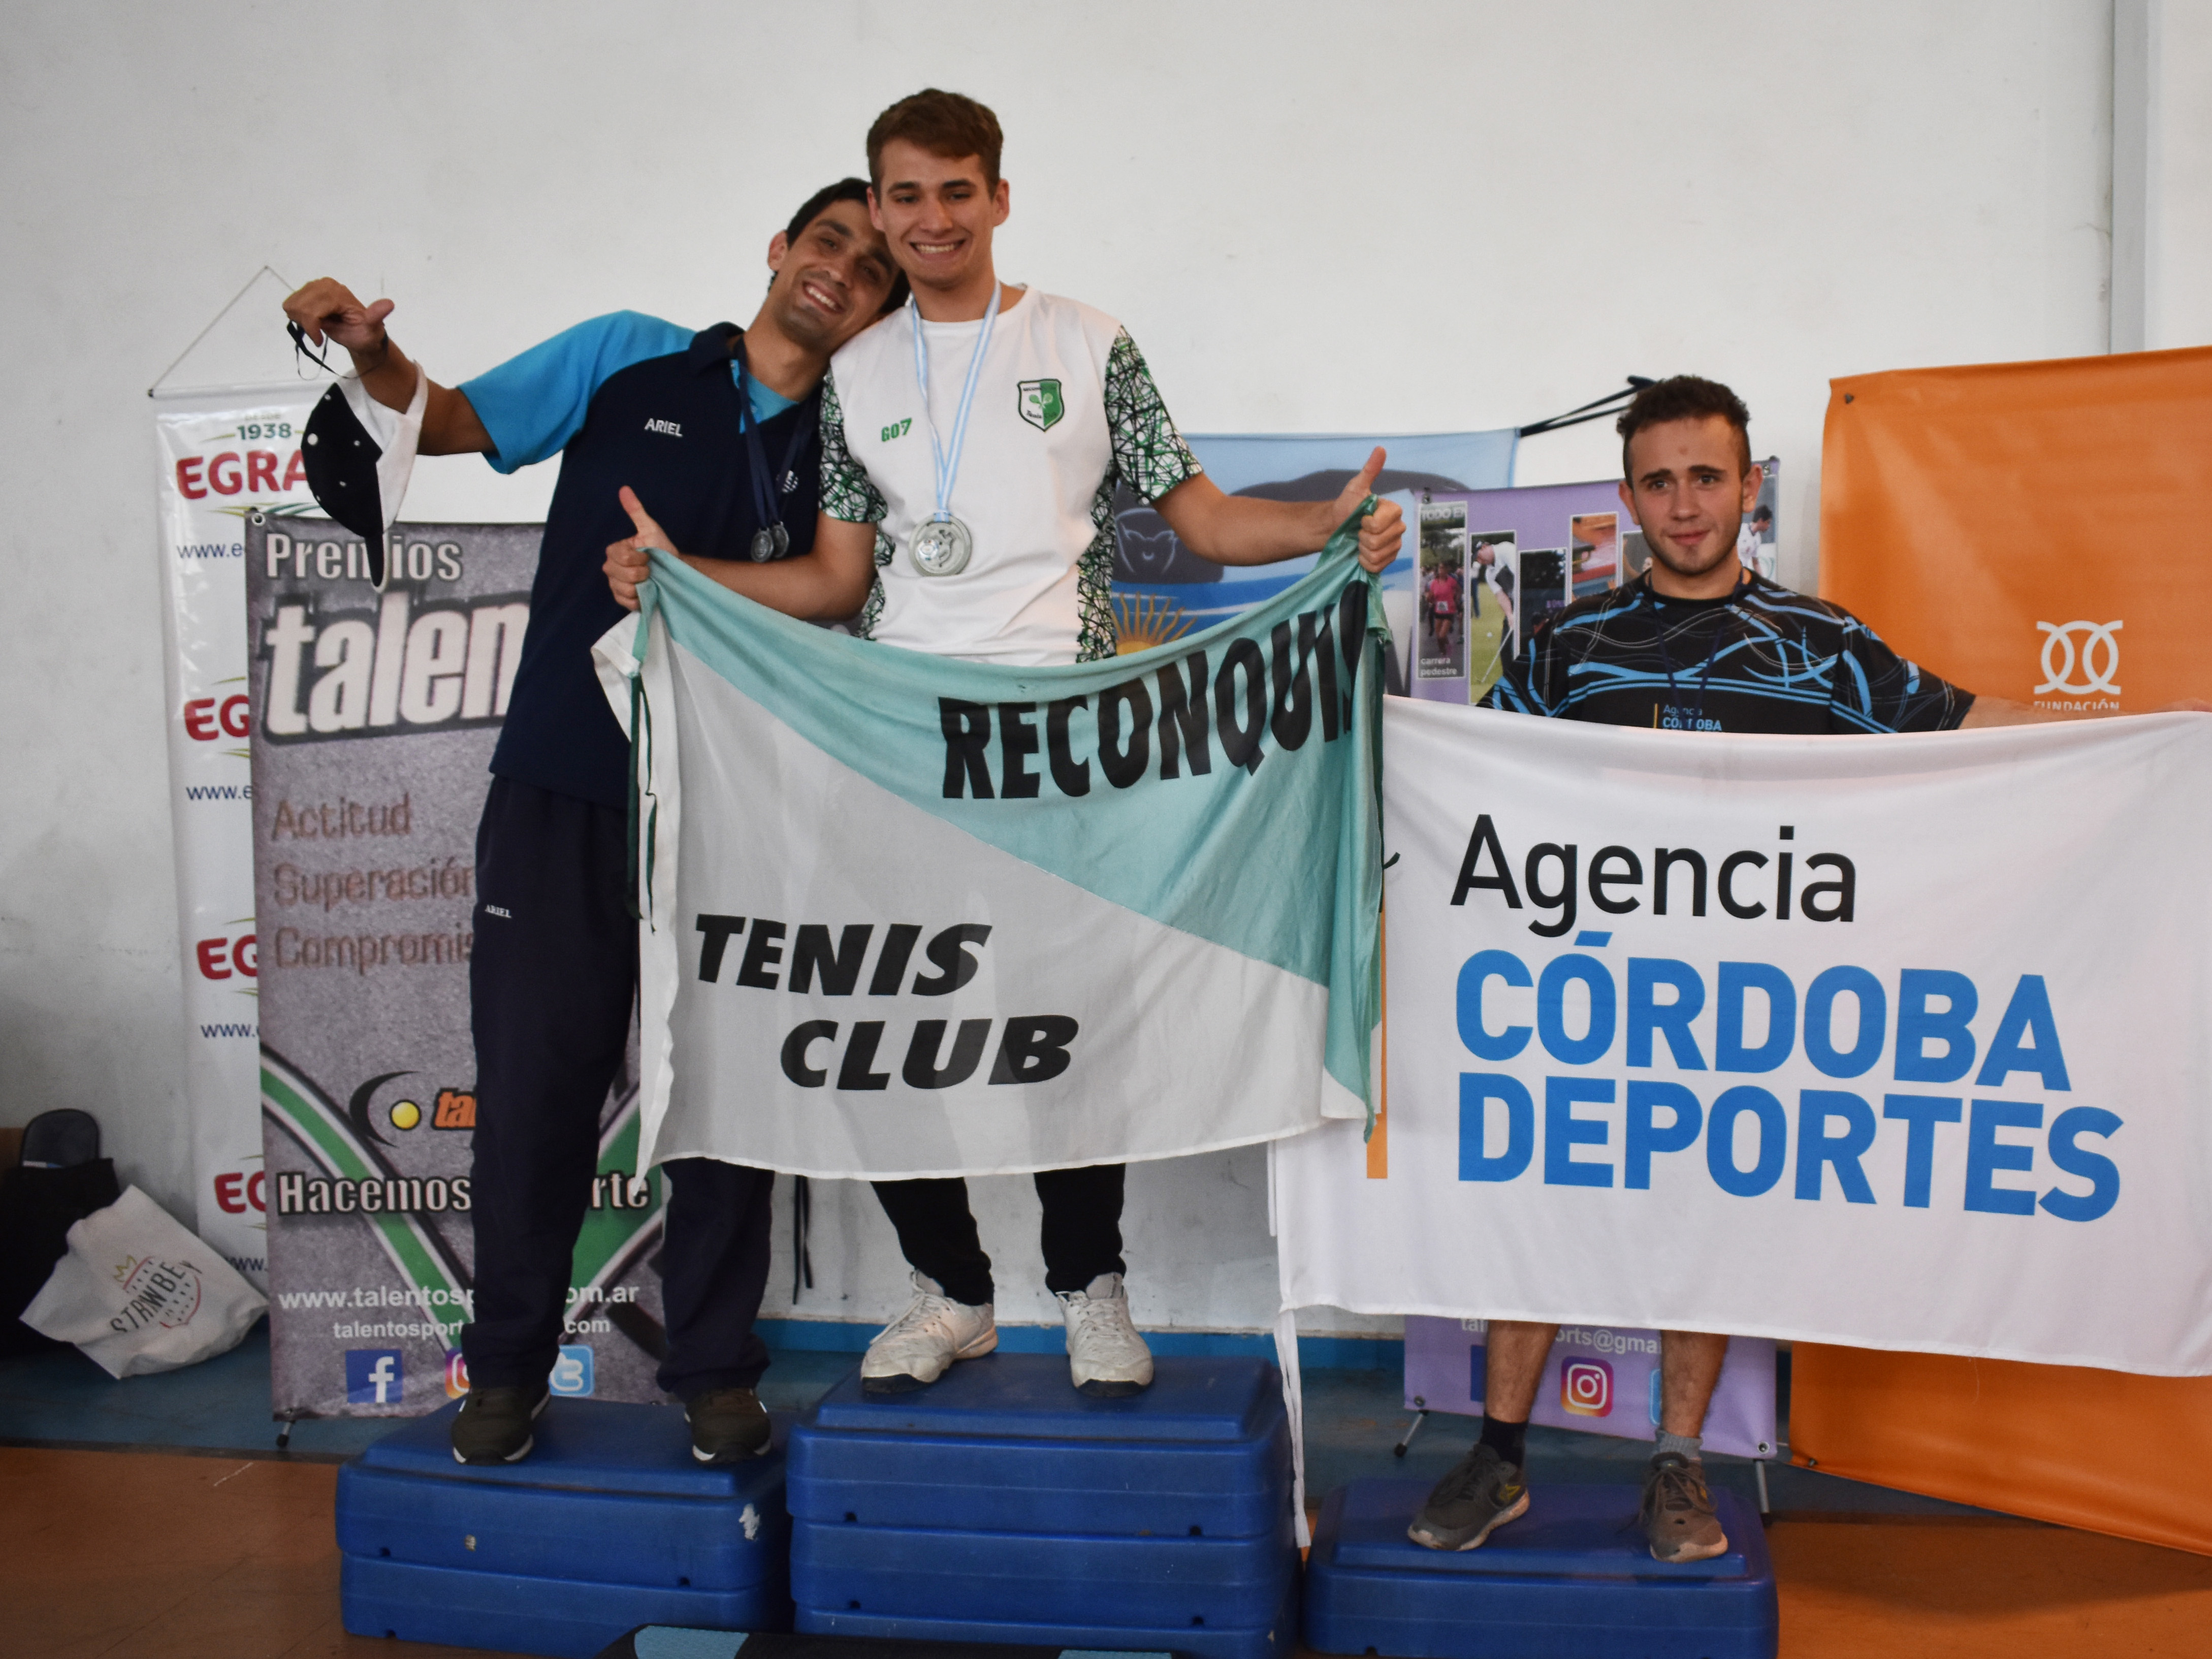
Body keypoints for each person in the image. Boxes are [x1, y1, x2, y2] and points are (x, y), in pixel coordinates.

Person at [606, 89, 1403, 1401]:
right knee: (888, 1023)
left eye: (955, 191)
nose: (931, 219)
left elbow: (1204, 524)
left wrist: (1326, 526)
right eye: (905, 196)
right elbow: (833, 580)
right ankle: (952, 1288)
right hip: (896, 743)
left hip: (1057, 741)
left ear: (999, 197)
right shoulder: (858, 373)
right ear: (879, 208)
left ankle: (1090, 1287)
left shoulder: (1088, 344)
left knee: (1067, 1024)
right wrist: (684, 580)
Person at [1408, 373, 2095, 1563]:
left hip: (1741, 1012)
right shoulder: (1570, 647)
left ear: (1747, 487)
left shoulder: (1823, 647)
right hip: (1584, 999)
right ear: (1630, 497)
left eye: (1706, 477)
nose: (1684, 503)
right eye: (1660, 481)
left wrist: (2151, 737)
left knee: (1708, 1224)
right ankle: (1499, 1456)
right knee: (1538, 1205)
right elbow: (1463, 776)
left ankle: (1679, 1466)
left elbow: (1962, 724)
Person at [281, 180, 904, 1468]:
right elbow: (447, 420)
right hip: (564, 781)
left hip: (738, 802)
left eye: (874, 267)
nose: (842, 270)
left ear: (885, 309)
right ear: (779, 248)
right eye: (827, 240)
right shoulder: (628, 357)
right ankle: (507, 1368)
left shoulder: (866, 438)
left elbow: (845, 598)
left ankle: (715, 1372)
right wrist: (376, 354)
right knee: (533, 1095)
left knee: (721, 1105)